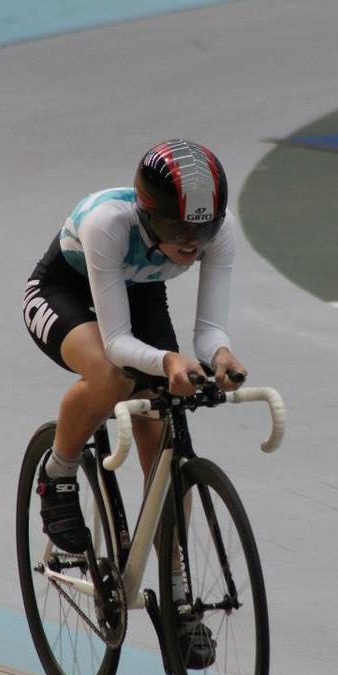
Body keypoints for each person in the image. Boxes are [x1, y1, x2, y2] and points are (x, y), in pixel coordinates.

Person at [23, 137, 246, 561]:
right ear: (147, 217)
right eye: (176, 230)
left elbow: (210, 330)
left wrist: (220, 355)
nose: (190, 244)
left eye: (203, 230)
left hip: (140, 292)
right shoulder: (107, 223)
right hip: (63, 291)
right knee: (112, 375)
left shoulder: (221, 228)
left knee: (160, 412)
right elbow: (117, 343)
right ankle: (58, 472)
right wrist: (167, 360)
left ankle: (177, 591)